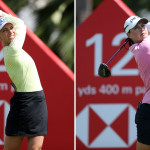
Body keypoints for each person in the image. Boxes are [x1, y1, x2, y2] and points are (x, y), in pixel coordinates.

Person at [0, 10, 48, 150]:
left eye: (11, 28)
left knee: (36, 148)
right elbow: (20, 23)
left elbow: (17, 25)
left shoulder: (14, 49)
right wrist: (2, 13)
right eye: (4, 30)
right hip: (23, 102)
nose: (11, 32)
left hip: (38, 101)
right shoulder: (12, 50)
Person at [124, 16, 150, 150]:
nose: (142, 29)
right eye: (136, 28)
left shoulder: (139, 45)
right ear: (128, 34)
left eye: (143, 25)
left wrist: (144, 28)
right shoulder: (145, 47)